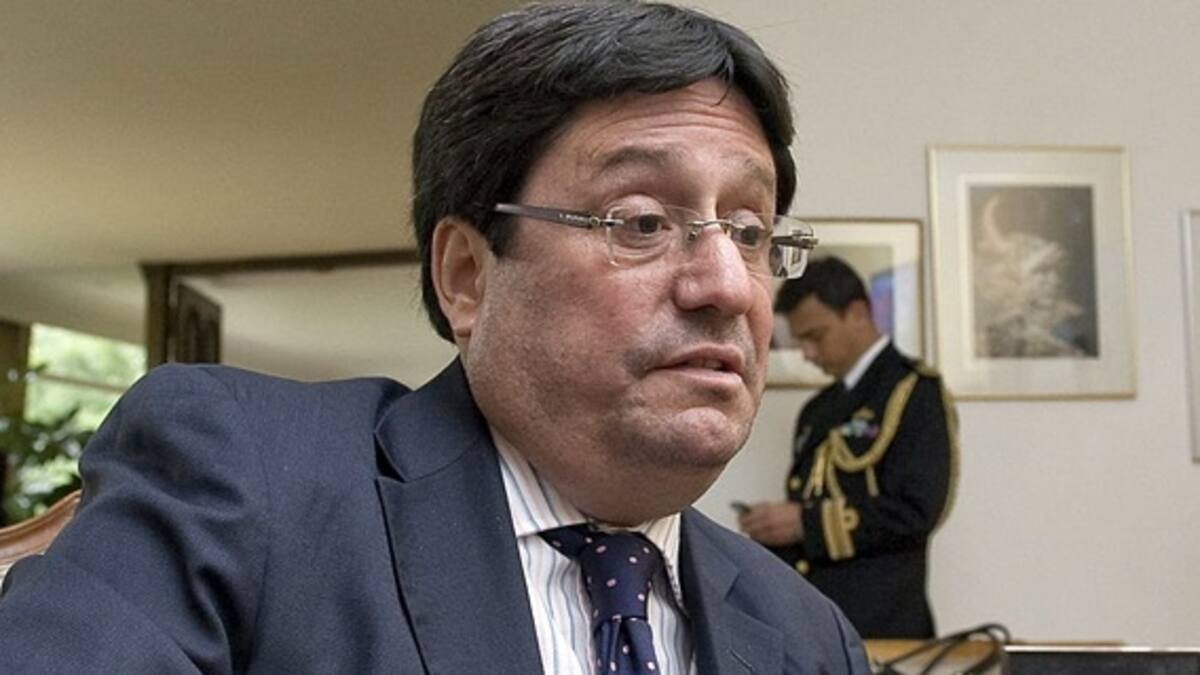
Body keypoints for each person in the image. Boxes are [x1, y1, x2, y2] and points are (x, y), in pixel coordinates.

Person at [0, 2, 871, 673]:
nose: (727, 285)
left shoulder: (807, 634)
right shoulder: (239, 481)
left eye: (750, 231)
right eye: (641, 221)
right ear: (466, 274)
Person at [738, 256, 958, 639]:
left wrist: (804, 523)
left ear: (857, 313)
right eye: (801, 341)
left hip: (885, 624)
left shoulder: (913, 391)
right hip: (816, 622)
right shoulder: (817, 409)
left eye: (816, 336)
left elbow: (918, 511)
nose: (808, 353)